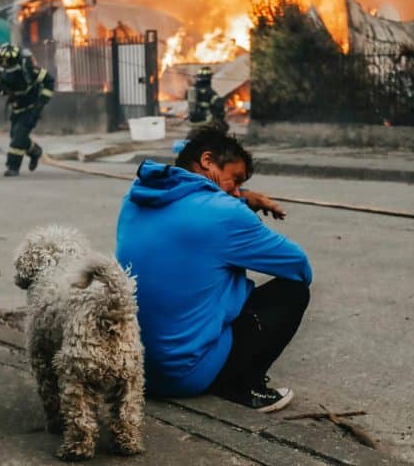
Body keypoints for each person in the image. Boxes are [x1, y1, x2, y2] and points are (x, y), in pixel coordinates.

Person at [115, 127, 311, 412]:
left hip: (133, 369)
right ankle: (244, 386)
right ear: (207, 160)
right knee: (293, 292)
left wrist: (243, 197)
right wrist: (240, 210)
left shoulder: (135, 199)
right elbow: (299, 267)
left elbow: (190, 213)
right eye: (235, 180)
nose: (234, 191)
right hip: (182, 377)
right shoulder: (225, 213)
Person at [0, 43, 55, 177]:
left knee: (18, 137)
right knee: (16, 136)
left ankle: (13, 167)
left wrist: (41, 102)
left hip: (31, 106)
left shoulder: (29, 69)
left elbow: (49, 81)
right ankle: (35, 151)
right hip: (17, 106)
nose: (8, 73)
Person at [186, 66, 228, 132]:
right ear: (209, 78)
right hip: (205, 120)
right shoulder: (210, 93)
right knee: (224, 127)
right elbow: (219, 106)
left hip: (192, 120)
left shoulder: (192, 90)